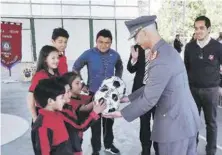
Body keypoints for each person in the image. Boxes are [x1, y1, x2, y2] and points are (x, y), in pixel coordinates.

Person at [104, 15, 201, 155]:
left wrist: (119, 113)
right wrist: (128, 98)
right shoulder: (165, 51)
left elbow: (150, 99)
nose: (136, 41)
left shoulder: (161, 58)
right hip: (184, 122)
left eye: (135, 36)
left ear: (143, 33)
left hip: (175, 126)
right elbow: (156, 85)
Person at [72, 29, 123, 155]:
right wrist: (82, 84)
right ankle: (96, 150)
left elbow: (120, 66)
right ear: (96, 41)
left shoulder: (115, 55)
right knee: (95, 123)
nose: (104, 45)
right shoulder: (88, 54)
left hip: (110, 96)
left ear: (111, 43)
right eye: (101, 42)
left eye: (107, 42)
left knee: (109, 122)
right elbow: (75, 67)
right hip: (94, 94)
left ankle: (109, 145)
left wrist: (118, 80)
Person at [31, 78, 106, 155]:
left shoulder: (58, 114)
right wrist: (94, 113)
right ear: (50, 101)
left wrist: (94, 111)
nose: (64, 100)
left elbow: (77, 127)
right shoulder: (42, 127)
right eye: (61, 97)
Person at [184, 16, 222, 155]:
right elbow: (186, 68)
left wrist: (220, 86)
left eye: (201, 28)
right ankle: (192, 149)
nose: (198, 31)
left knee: (211, 123)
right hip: (193, 91)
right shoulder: (189, 47)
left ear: (209, 29)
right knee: (192, 122)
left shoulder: (218, 47)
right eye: (196, 28)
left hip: (211, 91)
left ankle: (210, 151)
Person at [127, 44, 158, 155]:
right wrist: (134, 59)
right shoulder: (137, 48)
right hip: (141, 92)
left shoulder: (162, 48)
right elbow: (130, 69)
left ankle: (159, 149)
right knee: (144, 122)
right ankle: (146, 149)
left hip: (157, 93)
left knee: (158, 123)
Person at [27, 45, 60, 122]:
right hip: (42, 115)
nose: (57, 60)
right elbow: (30, 98)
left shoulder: (57, 74)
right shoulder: (40, 75)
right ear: (45, 59)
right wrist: (35, 118)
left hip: (55, 114)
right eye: (53, 58)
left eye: (57, 57)